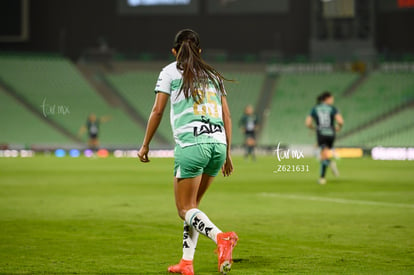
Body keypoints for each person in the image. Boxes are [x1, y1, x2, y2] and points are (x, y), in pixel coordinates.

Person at [137, 29, 238, 275]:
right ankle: (186, 262)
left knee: (184, 209)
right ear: (200, 51)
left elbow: (157, 111)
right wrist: (227, 153)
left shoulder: (169, 72)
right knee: (193, 209)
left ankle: (221, 238)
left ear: (174, 51)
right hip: (218, 144)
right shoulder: (214, 74)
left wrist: (145, 144)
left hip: (192, 145)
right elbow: (226, 115)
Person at [305, 92, 344, 185]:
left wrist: (313, 127)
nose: (332, 100)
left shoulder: (315, 109)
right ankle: (322, 178)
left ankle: (328, 166)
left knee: (323, 156)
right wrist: (338, 127)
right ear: (327, 99)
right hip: (331, 133)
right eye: (332, 98)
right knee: (325, 154)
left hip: (321, 133)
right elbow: (340, 121)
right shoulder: (333, 109)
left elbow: (308, 123)